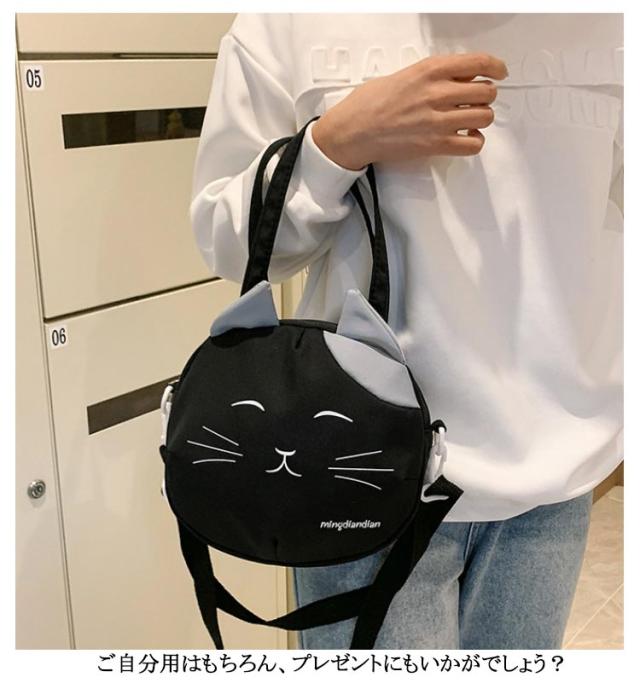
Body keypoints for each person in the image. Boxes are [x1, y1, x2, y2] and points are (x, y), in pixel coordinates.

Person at [189, 13, 623, 649]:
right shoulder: (286, 20)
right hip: (361, 466)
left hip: (557, 475)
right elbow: (227, 243)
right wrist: (335, 144)